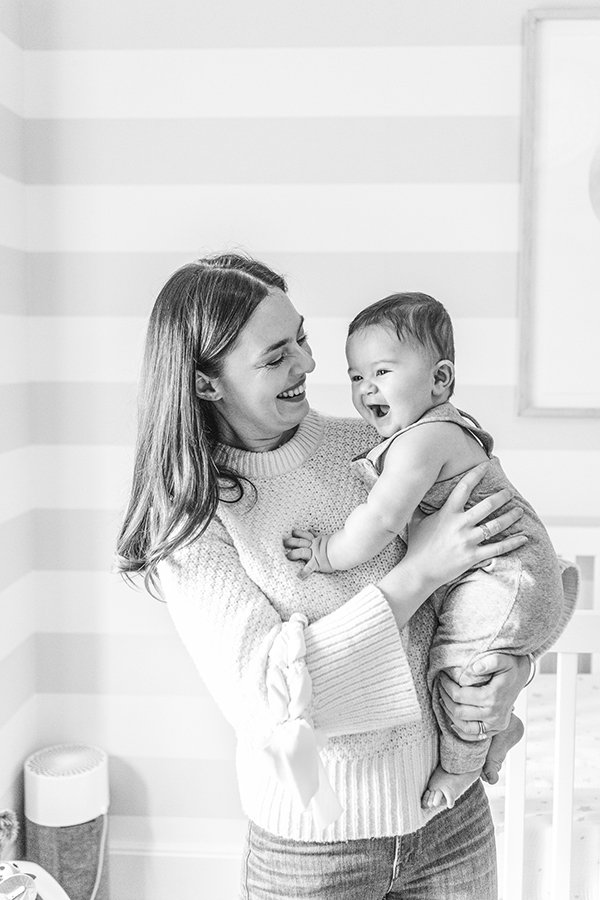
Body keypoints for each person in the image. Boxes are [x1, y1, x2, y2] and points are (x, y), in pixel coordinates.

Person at [116, 255, 577, 900]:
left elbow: (495, 585)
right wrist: (418, 571)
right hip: (311, 854)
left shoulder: (377, 445)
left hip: (450, 823)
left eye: (302, 338)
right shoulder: (191, 521)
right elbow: (267, 704)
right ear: (206, 383)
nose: (308, 364)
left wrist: (508, 676)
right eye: (276, 356)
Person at [283, 291, 571, 812]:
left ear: (439, 380)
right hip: (514, 577)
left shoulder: (422, 440)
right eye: (355, 376)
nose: (366, 387)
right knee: (461, 664)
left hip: (505, 579)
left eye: (383, 372)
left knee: (459, 669)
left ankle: (463, 765)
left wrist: (326, 552)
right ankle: (495, 729)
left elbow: (381, 518)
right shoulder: (433, 431)